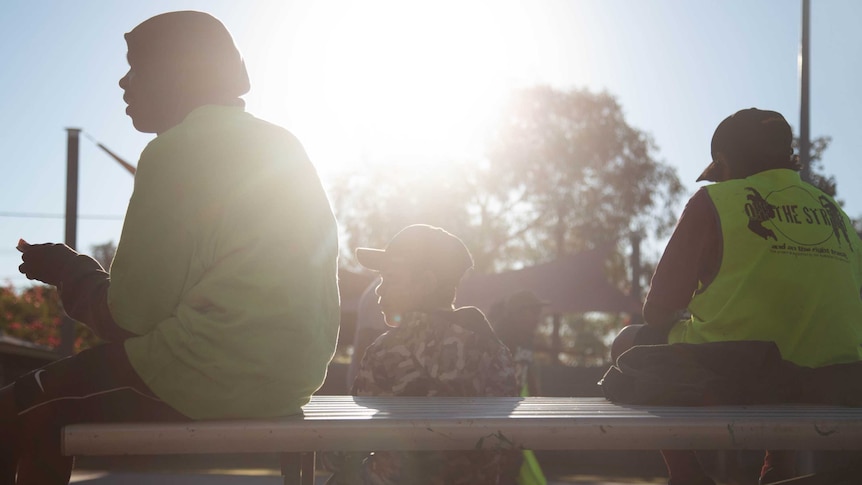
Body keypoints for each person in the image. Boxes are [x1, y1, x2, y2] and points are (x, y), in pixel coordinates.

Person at [5, 10, 340, 484]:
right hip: (291, 380)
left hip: (205, 374)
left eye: (136, 66)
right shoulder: (282, 143)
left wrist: (68, 270)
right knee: (49, 403)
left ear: (177, 73)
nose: (123, 83)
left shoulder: (175, 150)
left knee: (15, 409)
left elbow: (129, 316)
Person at [611, 108, 862, 485]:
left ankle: (687, 475)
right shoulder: (837, 214)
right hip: (838, 379)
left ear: (724, 162)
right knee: (791, 348)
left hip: (737, 374)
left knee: (626, 343)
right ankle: (778, 468)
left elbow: (658, 311)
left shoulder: (714, 202)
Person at [325, 224, 518, 485]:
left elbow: (347, 446)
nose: (379, 290)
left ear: (426, 283)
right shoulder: (496, 351)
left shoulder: (387, 350)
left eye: (390, 278)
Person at [491, 289, 549, 485]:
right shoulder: (498, 338)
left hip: (516, 415)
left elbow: (530, 374)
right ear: (516, 313)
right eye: (531, 312)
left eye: (537, 312)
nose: (537, 318)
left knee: (514, 465)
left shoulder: (527, 339)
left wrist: (539, 403)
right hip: (495, 416)